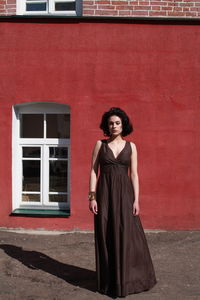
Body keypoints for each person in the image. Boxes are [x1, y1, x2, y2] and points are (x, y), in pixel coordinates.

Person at [88, 107, 157, 298]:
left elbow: (134, 174)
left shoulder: (131, 146)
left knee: (128, 234)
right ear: (106, 126)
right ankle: (110, 280)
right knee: (106, 232)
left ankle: (128, 278)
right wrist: (92, 197)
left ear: (123, 124)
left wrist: (136, 199)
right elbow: (94, 171)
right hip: (104, 195)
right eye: (111, 123)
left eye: (117, 123)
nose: (114, 126)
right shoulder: (99, 145)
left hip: (125, 195)